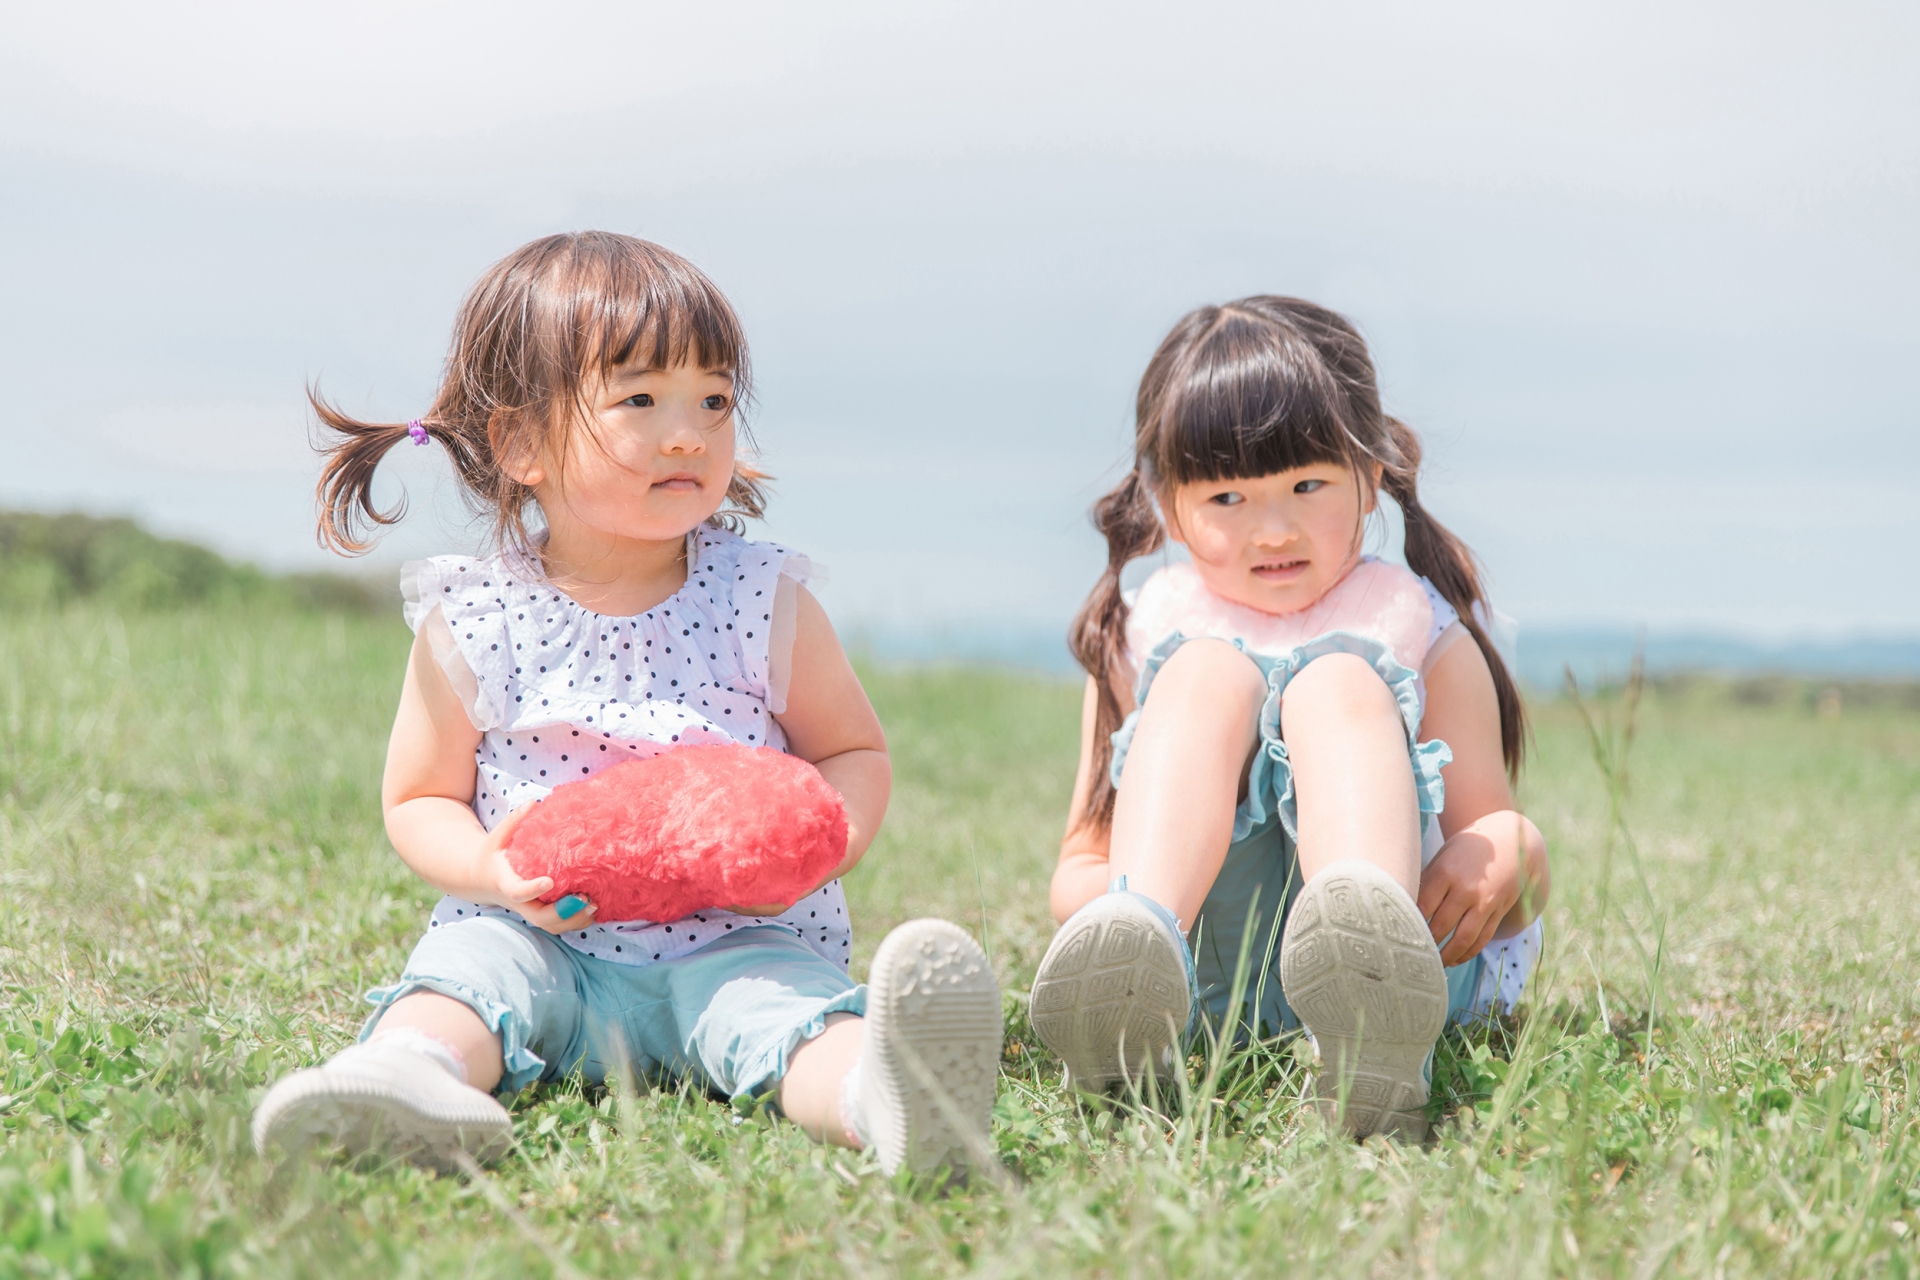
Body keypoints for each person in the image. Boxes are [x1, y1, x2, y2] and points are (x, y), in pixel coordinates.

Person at [251, 231, 1001, 1176]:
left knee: (786, 1015)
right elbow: (417, 799)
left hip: (736, 934)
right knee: (470, 978)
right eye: (641, 399)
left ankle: (885, 1102)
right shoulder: (476, 618)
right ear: (521, 439)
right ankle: (408, 1077)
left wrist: (821, 847)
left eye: (715, 401)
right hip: (543, 933)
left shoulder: (760, 600)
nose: (689, 432)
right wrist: (489, 870)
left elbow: (853, 751)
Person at [1031, 297, 1549, 1140]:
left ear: (1371, 474)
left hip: (1412, 957)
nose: (1272, 529)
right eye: (1227, 497)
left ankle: (1371, 1010)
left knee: (1336, 683)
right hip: (1204, 973)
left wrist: (1509, 856)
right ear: (1168, 506)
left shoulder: (1422, 631)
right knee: (1203, 673)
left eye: (1306, 485)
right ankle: (1133, 986)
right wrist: (1122, 908)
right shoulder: (1141, 641)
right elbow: (1077, 865)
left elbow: (1498, 838)